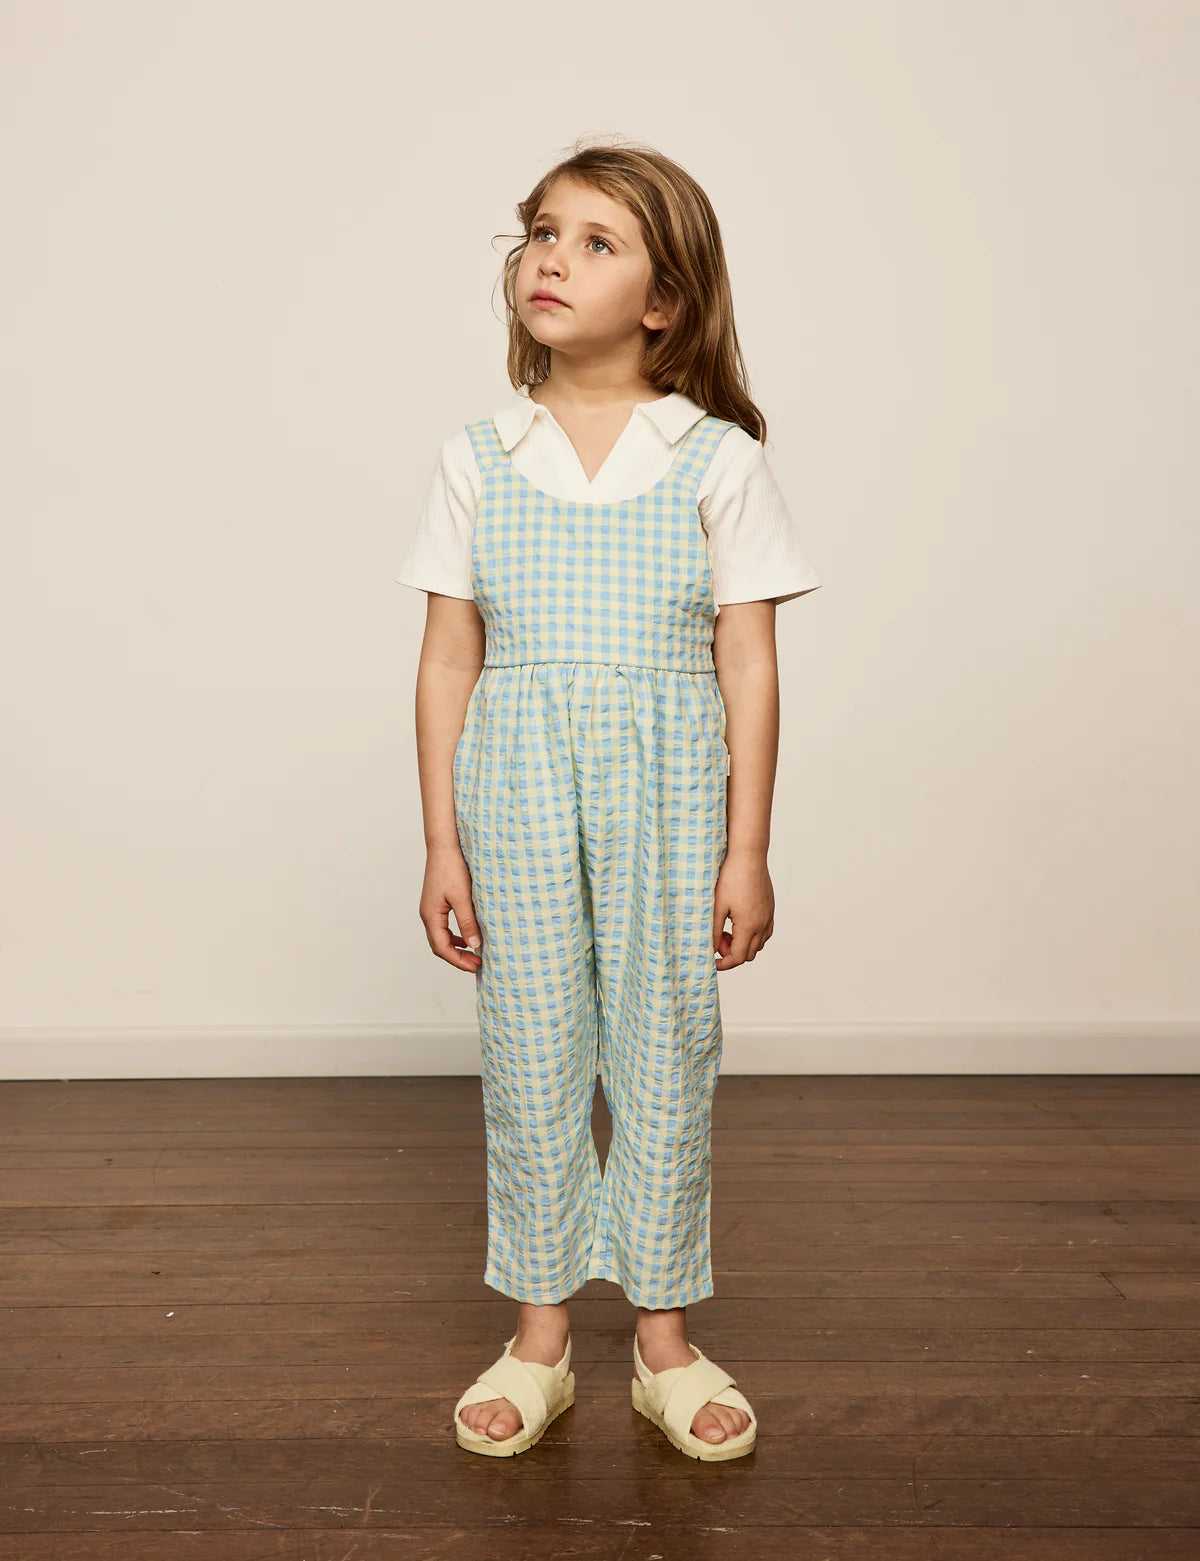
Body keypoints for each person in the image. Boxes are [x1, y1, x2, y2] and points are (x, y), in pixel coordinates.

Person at [396, 140, 822, 1461]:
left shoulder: (715, 459)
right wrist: (441, 842)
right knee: (529, 1047)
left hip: (671, 790)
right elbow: (448, 657)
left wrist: (748, 847)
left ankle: (663, 1341)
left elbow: (749, 661)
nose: (552, 259)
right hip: (514, 784)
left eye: (595, 242)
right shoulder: (480, 455)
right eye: (541, 232)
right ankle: (539, 1341)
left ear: (665, 301)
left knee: (663, 1046)